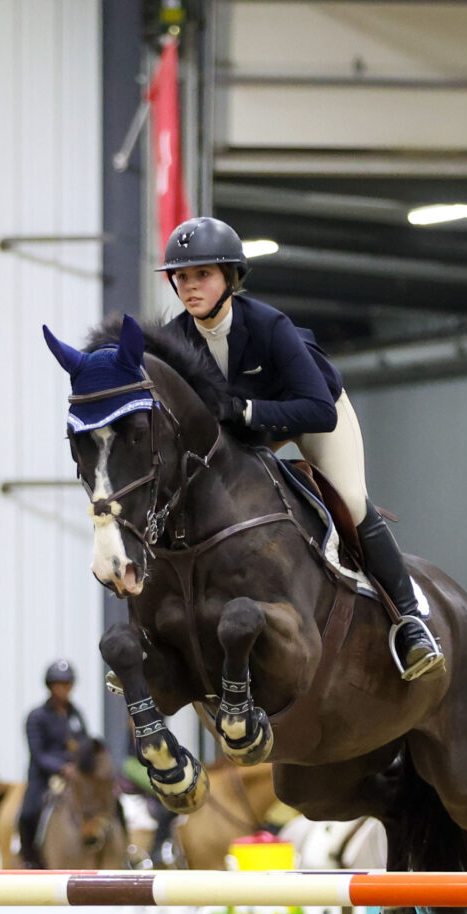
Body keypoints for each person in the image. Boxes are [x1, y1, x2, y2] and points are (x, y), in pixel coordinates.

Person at [156, 216, 445, 682]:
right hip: (247, 433)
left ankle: (410, 621)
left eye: (202, 274)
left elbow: (318, 411)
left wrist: (247, 410)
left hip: (312, 414)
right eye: (182, 276)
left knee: (350, 500)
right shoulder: (175, 341)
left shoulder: (270, 325)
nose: (190, 286)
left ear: (230, 278)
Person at [17, 660, 88, 868]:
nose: (63, 689)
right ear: (50, 686)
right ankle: (29, 857)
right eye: (59, 684)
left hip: (75, 773)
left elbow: (84, 743)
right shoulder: (37, 716)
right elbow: (38, 753)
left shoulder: (76, 715)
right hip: (44, 775)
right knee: (29, 812)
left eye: (67, 684)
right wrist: (62, 767)